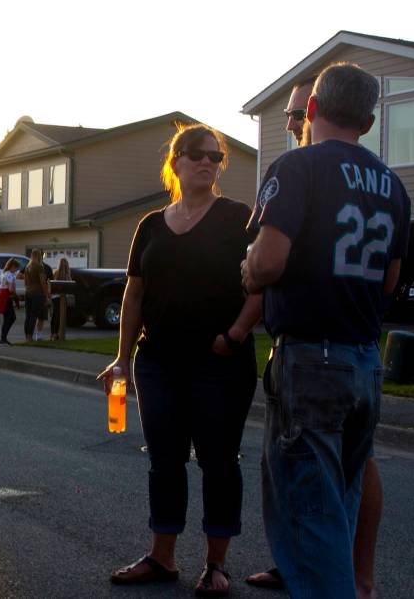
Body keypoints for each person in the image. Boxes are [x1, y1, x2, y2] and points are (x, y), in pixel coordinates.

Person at [243, 63, 410, 599]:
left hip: (311, 359)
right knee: (340, 500)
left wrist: (248, 268)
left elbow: (268, 261)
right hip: (365, 359)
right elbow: (390, 282)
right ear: (368, 121)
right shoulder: (393, 185)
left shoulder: (297, 166)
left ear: (312, 108)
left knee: (309, 516)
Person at [101, 123, 262, 596]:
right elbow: (134, 294)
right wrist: (122, 358)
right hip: (158, 363)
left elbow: (263, 284)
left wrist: (235, 335)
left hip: (220, 364)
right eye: (197, 154)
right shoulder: (150, 225)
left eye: (216, 156)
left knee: (218, 461)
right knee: (165, 461)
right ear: (175, 162)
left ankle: (216, 565)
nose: (208, 162)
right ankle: (162, 556)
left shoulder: (238, 218)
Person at [23, 249, 50, 342]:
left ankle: (27, 336)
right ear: (39, 256)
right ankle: (30, 336)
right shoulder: (39, 267)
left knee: (28, 315)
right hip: (37, 293)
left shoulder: (27, 266)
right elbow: (43, 282)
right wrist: (47, 295)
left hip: (28, 292)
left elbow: (26, 282)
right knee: (34, 315)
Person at [0, 258, 22, 345]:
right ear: (12, 266)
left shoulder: (3, 273)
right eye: (16, 268)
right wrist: (17, 296)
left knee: (7, 318)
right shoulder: (10, 275)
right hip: (7, 299)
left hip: (2, 297)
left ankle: (3, 337)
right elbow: (11, 289)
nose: (16, 270)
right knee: (10, 318)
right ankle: (3, 338)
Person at [50, 257, 72, 340]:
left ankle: (53, 334)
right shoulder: (67, 275)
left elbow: (52, 285)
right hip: (63, 297)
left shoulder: (55, 272)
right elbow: (70, 286)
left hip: (55, 297)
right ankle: (58, 333)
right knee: (60, 316)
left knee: (55, 315)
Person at [35, 251, 54, 340]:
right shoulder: (30, 266)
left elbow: (51, 281)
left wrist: (49, 295)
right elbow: (19, 275)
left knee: (41, 316)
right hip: (36, 293)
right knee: (35, 316)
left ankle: (37, 335)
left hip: (41, 293)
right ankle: (33, 335)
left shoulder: (47, 268)